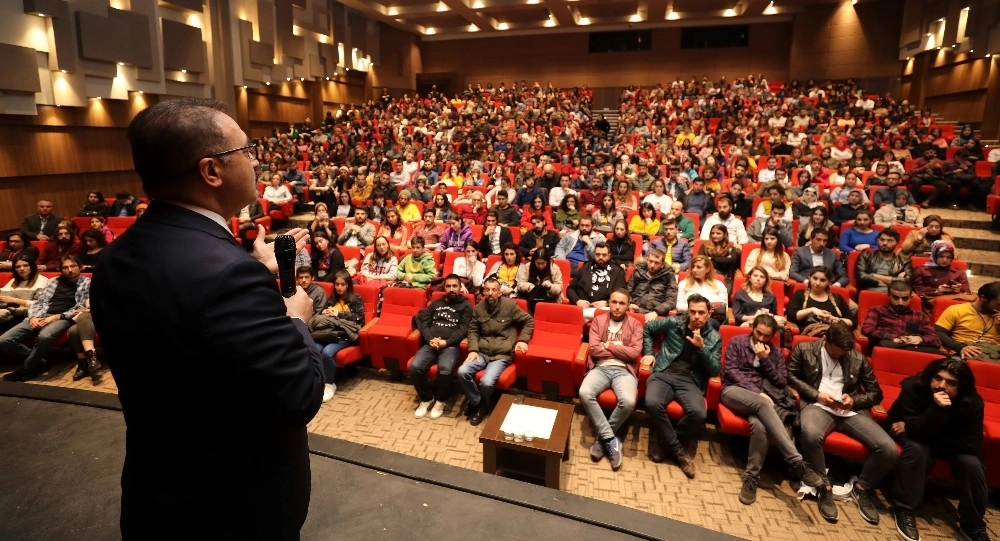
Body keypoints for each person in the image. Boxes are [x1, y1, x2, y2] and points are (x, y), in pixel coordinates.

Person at [88, 99, 322, 540]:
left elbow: (189, 329)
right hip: (232, 510)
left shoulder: (115, 258)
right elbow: (299, 396)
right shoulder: (228, 274)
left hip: (159, 493)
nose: (254, 162)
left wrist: (254, 272)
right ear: (211, 171)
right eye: (246, 151)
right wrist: (295, 318)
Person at [787, 321, 896, 525]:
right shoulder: (805, 349)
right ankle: (823, 486)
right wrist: (816, 394)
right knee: (810, 434)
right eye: (835, 352)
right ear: (825, 340)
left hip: (849, 410)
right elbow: (790, 376)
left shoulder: (856, 357)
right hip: (817, 405)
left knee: (888, 449)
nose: (839, 356)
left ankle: (862, 488)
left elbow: (876, 393)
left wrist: (855, 400)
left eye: (843, 353)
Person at [721, 314, 826, 504]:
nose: (761, 339)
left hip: (763, 401)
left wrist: (765, 360)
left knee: (760, 427)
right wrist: (756, 392)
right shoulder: (737, 342)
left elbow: (780, 382)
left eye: (766, 336)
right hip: (734, 392)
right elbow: (731, 371)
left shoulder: (775, 353)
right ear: (752, 327)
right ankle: (796, 462)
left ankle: (751, 478)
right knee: (762, 403)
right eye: (758, 333)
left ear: (772, 335)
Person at [888, 358, 990, 541]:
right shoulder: (914, 387)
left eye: (951, 383)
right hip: (916, 436)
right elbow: (913, 431)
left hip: (940, 439)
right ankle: (905, 509)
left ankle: (973, 524)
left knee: (972, 463)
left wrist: (914, 428)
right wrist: (936, 409)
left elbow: (971, 445)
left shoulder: (973, 402)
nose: (941, 385)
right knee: (917, 449)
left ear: (962, 387)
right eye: (938, 378)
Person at [641, 293, 722, 478]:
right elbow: (648, 328)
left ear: (709, 313)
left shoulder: (714, 337)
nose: (696, 316)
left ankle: (666, 443)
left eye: (701, 312)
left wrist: (702, 348)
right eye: (692, 312)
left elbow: (714, 369)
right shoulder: (674, 322)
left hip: (690, 380)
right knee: (653, 403)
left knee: (699, 414)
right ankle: (678, 450)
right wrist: (649, 352)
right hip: (664, 371)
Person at [0, 254, 89, 382]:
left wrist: (55, 317)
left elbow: (80, 307)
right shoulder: (53, 281)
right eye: (65, 267)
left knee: (45, 336)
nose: (69, 270)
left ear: (80, 267)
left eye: (73, 266)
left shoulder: (86, 283)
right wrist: (33, 317)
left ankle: (24, 369)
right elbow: (39, 302)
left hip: (62, 318)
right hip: (41, 314)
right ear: (61, 269)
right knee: (4, 340)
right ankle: (40, 362)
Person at [580, 289, 642, 471]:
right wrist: (620, 348)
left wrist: (609, 345)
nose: (617, 306)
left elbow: (634, 353)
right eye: (614, 302)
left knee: (628, 401)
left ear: (628, 306)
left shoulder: (636, 325)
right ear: (609, 302)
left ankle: (602, 440)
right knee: (584, 392)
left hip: (624, 370)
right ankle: (609, 439)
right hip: (601, 367)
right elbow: (594, 350)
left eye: (622, 303)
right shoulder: (599, 321)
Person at [458, 277, 533, 425]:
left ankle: (484, 405)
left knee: (486, 382)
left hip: (501, 354)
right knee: (462, 371)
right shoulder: (478, 308)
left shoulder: (510, 307)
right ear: (483, 291)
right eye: (487, 290)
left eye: (494, 290)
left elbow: (528, 321)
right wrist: (473, 350)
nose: (490, 293)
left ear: (499, 292)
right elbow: (472, 331)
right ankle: (477, 401)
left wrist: (523, 340)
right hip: (482, 352)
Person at [409, 274, 474, 419]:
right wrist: (429, 339)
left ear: (459, 287)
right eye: (448, 286)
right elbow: (424, 323)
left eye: (454, 286)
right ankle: (426, 398)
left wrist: (446, 342)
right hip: (431, 343)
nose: (451, 289)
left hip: (450, 346)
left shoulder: (465, 305)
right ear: (444, 287)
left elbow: (464, 329)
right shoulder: (436, 303)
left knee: (445, 369)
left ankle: (441, 400)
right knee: (414, 367)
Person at [312, 270, 365, 403]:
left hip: (344, 335)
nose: (339, 287)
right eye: (337, 284)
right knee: (314, 350)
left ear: (348, 285)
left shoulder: (356, 298)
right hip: (328, 333)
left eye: (342, 284)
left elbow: (359, 318)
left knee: (327, 353)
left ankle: (329, 384)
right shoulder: (332, 298)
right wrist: (324, 311)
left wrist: (338, 313)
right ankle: (317, 382)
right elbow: (322, 311)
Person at [861, 280, 942, 353]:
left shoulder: (920, 316)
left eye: (905, 299)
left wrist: (920, 338)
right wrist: (894, 337)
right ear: (889, 296)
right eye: (896, 298)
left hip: (914, 350)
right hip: (888, 348)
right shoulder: (877, 310)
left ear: (911, 298)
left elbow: (935, 338)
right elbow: (867, 329)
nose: (900, 302)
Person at [935, 281, 1000, 361]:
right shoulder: (956, 310)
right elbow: (938, 332)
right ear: (983, 298)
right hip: (964, 351)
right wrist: (959, 347)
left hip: (994, 353)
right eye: (998, 305)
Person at [787, 266, 855, 331]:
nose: (817, 283)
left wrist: (833, 319)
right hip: (809, 335)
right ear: (809, 278)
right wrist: (812, 310)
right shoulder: (800, 294)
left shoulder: (837, 298)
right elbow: (791, 315)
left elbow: (853, 322)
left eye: (822, 280)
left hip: (833, 336)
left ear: (828, 282)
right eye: (815, 278)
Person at [567, 243, 626, 317]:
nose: (600, 257)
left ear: (609, 255)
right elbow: (570, 288)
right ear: (594, 254)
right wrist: (577, 300)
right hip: (583, 308)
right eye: (598, 254)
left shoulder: (617, 271)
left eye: (604, 255)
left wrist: (607, 303)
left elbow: (622, 295)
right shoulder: (585, 268)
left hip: (606, 310)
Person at [676, 255, 728, 329]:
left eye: (698, 267)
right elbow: (679, 306)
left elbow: (723, 308)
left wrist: (703, 311)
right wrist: (695, 309)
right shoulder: (684, 284)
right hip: (688, 316)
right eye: (693, 267)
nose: (694, 270)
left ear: (707, 269)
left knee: (707, 323)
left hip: (711, 318)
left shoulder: (719, 285)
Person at [626, 248, 677, 321]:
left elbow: (671, 300)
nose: (652, 265)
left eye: (656, 263)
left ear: (662, 264)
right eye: (650, 261)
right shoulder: (638, 271)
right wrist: (629, 304)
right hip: (634, 310)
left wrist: (657, 312)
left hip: (655, 314)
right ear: (647, 260)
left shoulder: (669, 275)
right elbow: (627, 291)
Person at [0, 256, 49, 332]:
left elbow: (40, 304)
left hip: (27, 315)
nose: (21, 269)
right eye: (18, 267)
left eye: (25, 265)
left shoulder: (42, 280)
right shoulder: (14, 280)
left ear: (32, 266)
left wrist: (14, 300)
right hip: (9, 311)